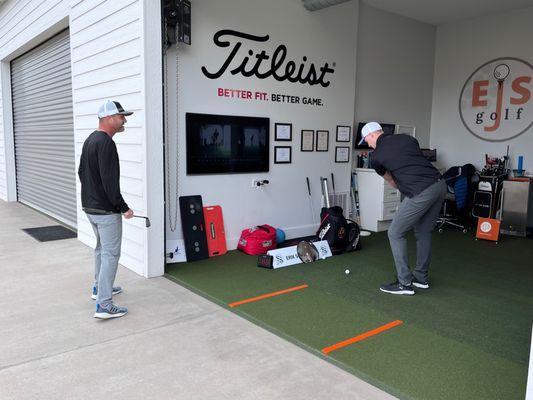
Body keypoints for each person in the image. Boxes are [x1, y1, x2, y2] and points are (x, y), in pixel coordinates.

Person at [359, 122, 446, 295]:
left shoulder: (376, 157)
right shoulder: (407, 139)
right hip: (439, 185)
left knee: (394, 232)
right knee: (423, 232)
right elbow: (415, 159)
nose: (368, 144)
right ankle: (420, 278)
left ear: (372, 135)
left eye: (367, 140)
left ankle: (404, 283)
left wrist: (407, 187)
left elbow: (391, 180)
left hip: (420, 191)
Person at [78, 100, 134, 318]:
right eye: (121, 116)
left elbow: (81, 173)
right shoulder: (107, 144)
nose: (124, 120)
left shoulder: (90, 140)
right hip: (106, 212)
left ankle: (99, 288)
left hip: (90, 208)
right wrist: (123, 208)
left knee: (101, 249)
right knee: (111, 254)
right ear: (109, 118)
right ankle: (104, 304)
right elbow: (111, 183)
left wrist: (92, 199)